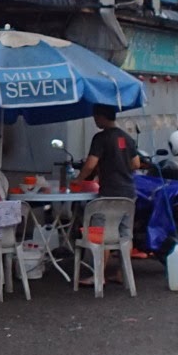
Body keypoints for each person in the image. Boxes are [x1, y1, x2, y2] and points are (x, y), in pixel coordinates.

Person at [75, 105, 140, 284]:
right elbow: (136, 164)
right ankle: (123, 273)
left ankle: (99, 275)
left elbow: (90, 164)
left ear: (101, 117)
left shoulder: (100, 138)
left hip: (109, 192)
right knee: (125, 234)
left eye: (96, 117)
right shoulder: (127, 137)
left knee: (99, 233)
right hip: (128, 193)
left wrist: (79, 180)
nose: (95, 120)